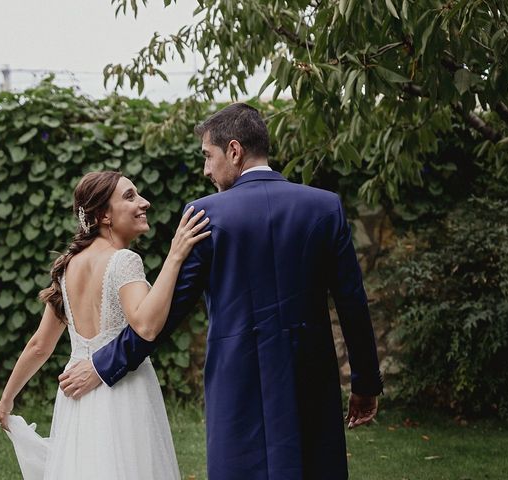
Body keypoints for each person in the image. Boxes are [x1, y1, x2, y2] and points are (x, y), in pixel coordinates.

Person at [60, 103, 384, 479]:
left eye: (208, 157)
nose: (206, 170)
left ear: (234, 151)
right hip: (310, 381)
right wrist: (364, 384)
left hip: (237, 385)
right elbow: (353, 305)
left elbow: (167, 314)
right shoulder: (325, 207)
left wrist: (103, 364)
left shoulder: (205, 215)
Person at [0, 170, 210, 479]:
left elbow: (40, 345)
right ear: (104, 215)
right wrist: (175, 257)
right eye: (130, 196)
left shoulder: (67, 267)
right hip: (121, 390)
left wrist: (6, 400)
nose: (144, 202)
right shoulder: (123, 261)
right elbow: (146, 326)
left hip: (75, 397)